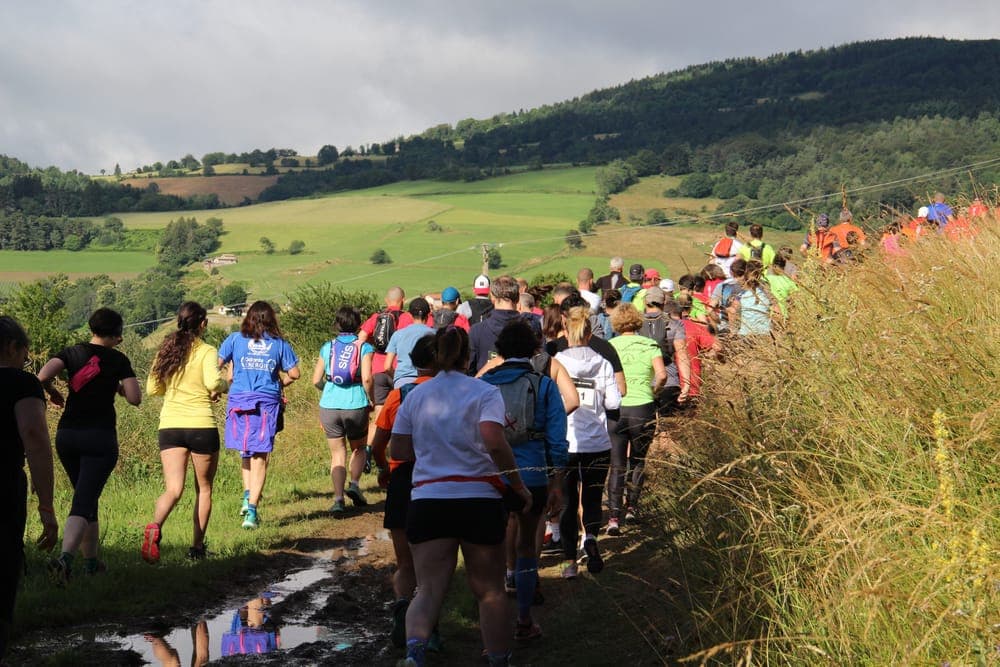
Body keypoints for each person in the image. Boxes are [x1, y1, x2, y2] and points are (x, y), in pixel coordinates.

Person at [389, 326, 531, 667]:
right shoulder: (484, 392)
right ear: (469, 357)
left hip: (428, 499)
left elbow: (399, 448)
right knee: (490, 591)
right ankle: (498, 658)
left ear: (436, 355)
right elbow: (494, 441)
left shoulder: (416, 396)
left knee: (428, 590)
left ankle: (415, 654)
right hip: (478, 498)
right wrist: (517, 487)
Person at [36, 308, 141, 580]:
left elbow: (43, 376)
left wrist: (53, 392)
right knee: (83, 500)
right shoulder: (119, 359)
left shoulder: (72, 352)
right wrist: (117, 387)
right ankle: (65, 559)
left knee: (87, 495)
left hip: (68, 435)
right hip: (100, 437)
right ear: (117, 334)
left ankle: (92, 563)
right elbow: (134, 397)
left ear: (92, 328)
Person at [480, 320, 568, 640]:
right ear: (534, 349)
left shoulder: (484, 383)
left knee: (489, 548)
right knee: (527, 545)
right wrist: (557, 480)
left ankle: (490, 620)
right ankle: (523, 619)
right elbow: (557, 439)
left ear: (500, 349)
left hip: (490, 475)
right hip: (532, 472)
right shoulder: (543, 384)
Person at [143, 302, 227, 563]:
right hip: (201, 425)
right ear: (202, 324)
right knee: (203, 489)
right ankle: (197, 548)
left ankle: (155, 526)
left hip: (170, 426)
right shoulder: (206, 350)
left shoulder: (166, 350)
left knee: (173, 489)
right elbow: (213, 382)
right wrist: (224, 385)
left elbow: (152, 390)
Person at [369, 335, 437, 650]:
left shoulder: (399, 395)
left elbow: (378, 444)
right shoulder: (447, 393)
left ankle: (401, 610)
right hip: (434, 479)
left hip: (401, 476)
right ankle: (430, 628)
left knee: (405, 562)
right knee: (431, 564)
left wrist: (384, 467)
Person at [0, 316, 57, 662]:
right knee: (3, 566)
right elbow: (34, 438)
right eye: (24, 352)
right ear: (11, 347)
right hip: (2, 483)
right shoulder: (21, 384)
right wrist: (46, 507)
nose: (25, 360)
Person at [218, 301, 300, 530]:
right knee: (260, 455)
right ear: (271, 319)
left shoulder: (234, 339)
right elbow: (295, 373)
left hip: (238, 399)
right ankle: (252, 512)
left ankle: (247, 497)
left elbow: (217, 364)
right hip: (266, 401)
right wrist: (280, 382)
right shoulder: (279, 344)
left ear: (249, 318)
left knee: (246, 449)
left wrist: (223, 382)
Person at [554, 306, 621, 579]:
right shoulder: (602, 361)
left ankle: (570, 563)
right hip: (597, 441)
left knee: (567, 502)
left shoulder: (557, 361)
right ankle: (590, 537)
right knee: (592, 497)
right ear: (590, 332)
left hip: (566, 441)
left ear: (566, 332)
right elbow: (615, 402)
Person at [608, 303, 666, 533]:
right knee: (638, 460)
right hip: (643, 406)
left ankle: (613, 517)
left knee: (617, 463)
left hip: (617, 408)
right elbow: (661, 375)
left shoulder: (609, 346)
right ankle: (632, 507)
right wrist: (654, 391)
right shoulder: (651, 344)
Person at [313, 306, 375, 514]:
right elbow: (367, 379)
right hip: (355, 404)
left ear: (337, 325)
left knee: (337, 454)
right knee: (358, 448)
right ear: (358, 325)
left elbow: (315, 380)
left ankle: (338, 499)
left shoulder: (327, 347)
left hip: (329, 405)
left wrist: (328, 389)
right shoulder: (363, 348)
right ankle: (355, 485)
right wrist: (371, 400)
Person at [358, 287, 413, 447]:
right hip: (398, 371)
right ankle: (395, 452)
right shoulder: (406, 318)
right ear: (403, 300)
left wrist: (370, 349)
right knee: (400, 415)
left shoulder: (376, 317)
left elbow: (361, 337)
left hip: (377, 370)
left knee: (379, 416)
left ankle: (369, 451)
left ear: (386, 301)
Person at [639, 287, 691, 415]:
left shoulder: (636, 323)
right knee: (668, 428)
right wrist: (686, 383)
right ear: (664, 303)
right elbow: (682, 354)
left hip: (642, 383)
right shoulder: (675, 324)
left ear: (645, 302)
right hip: (669, 381)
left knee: (645, 432)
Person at [468, 275, 525, 374]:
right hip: (523, 387)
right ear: (518, 298)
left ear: (492, 297)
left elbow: (469, 369)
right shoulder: (530, 328)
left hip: (485, 385)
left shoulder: (477, 330)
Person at [384, 297, 435, 389]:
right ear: (428, 315)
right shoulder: (434, 334)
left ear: (410, 315)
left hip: (402, 382)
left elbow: (387, 366)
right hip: (427, 381)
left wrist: (397, 378)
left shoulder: (398, 334)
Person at [676, 294, 717, 400]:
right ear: (691, 308)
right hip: (692, 384)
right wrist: (706, 356)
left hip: (670, 383)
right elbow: (717, 348)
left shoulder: (667, 326)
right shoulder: (696, 326)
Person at [729, 261, 782, 338]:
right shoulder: (764, 285)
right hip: (766, 333)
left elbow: (733, 311)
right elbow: (777, 310)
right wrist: (777, 329)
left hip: (745, 334)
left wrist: (732, 331)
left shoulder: (738, 288)